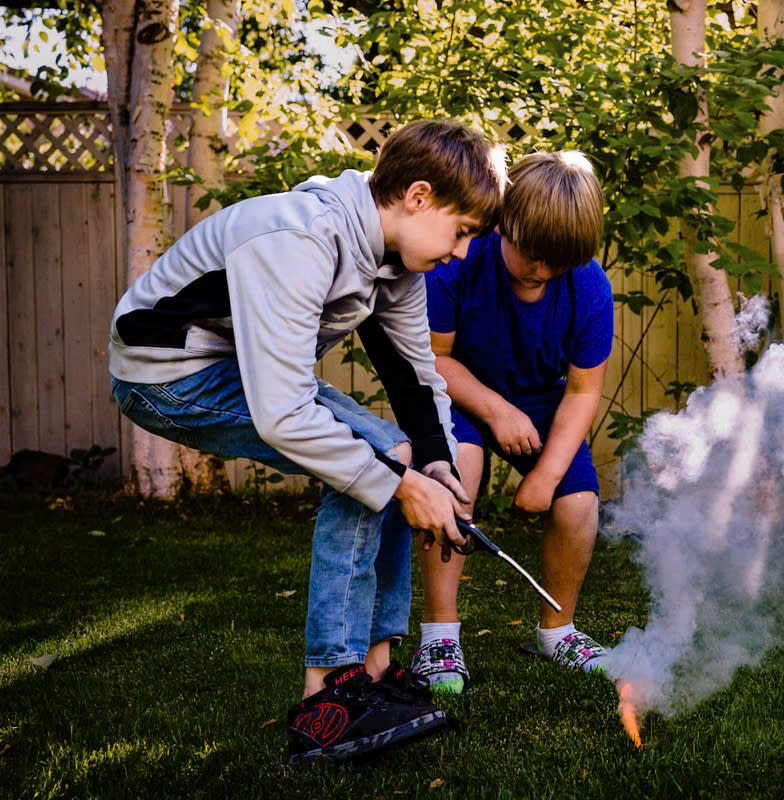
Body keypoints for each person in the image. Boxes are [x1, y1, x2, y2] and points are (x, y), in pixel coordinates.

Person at [107, 119, 506, 763]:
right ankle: (327, 699)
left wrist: (436, 464)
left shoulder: (394, 261)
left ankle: (373, 675)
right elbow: (285, 417)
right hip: (163, 377)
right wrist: (400, 480)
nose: (461, 252)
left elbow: (414, 373)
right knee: (376, 462)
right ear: (419, 196)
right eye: (461, 232)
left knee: (401, 457)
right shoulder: (300, 237)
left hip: (235, 372)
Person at [412, 151, 613, 694]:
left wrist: (546, 477)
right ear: (504, 223)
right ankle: (439, 636)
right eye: (527, 251)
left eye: (556, 261)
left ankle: (558, 632)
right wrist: (497, 411)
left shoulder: (591, 287)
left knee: (577, 504)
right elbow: (434, 360)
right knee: (456, 472)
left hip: (546, 403)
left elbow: (582, 390)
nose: (539, 269)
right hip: (462, 390)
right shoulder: (458, 261)